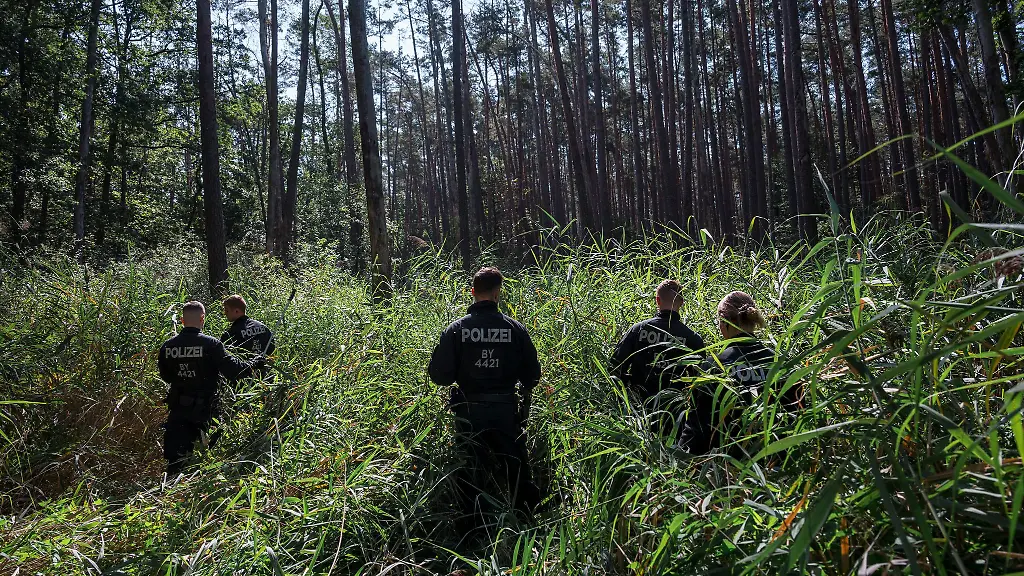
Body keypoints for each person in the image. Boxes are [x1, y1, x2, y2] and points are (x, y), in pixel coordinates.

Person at [427, 267, 542, 521]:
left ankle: (470, 531)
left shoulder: (456, 330)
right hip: (505, 412)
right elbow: (532, 376)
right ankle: (526, 525)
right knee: (517, 470)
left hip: (468, 413)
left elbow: (439, 376)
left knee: (470, 473)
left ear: (472, 292)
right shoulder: (515, 329)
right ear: (497, 293)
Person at [679, 291, 801, 455]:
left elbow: (697, 426)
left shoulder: (713, 367)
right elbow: (797, 417)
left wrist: (681, 460)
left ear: (724, 323)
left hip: (727, 466)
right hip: (776, 462)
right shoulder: (781, 364)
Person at [158, 301, 264, 477]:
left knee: (175, 463)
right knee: (207, 460)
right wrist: (254, 364)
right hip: (205, 411)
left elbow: (166, 376)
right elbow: (234, 371)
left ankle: (169, 494)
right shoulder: (211, 344)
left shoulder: (168, 346)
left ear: (183, 321)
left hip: (178, 409)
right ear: (202, 318)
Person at [610, 279, 706, 404]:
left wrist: (627, 393)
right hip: (675, 410)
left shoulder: (638, 329)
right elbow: (700, 382)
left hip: (639, 407)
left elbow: (615, 367)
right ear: (681, 303)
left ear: (657, 300)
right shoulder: (692, 338)